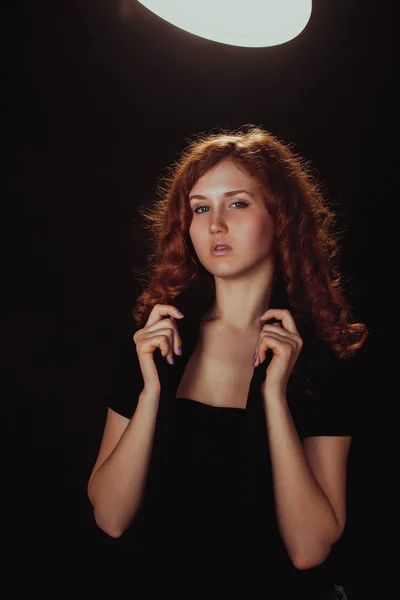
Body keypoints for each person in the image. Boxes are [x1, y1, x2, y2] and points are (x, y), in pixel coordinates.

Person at [87, 125, 368, 598]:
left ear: (280, 217)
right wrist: (152, 392)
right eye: (201, 208)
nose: (216, 223)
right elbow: (110, 519)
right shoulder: (154, 342)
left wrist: (274, 398)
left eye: (238, 203)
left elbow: (309, 549)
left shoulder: (321, 359)